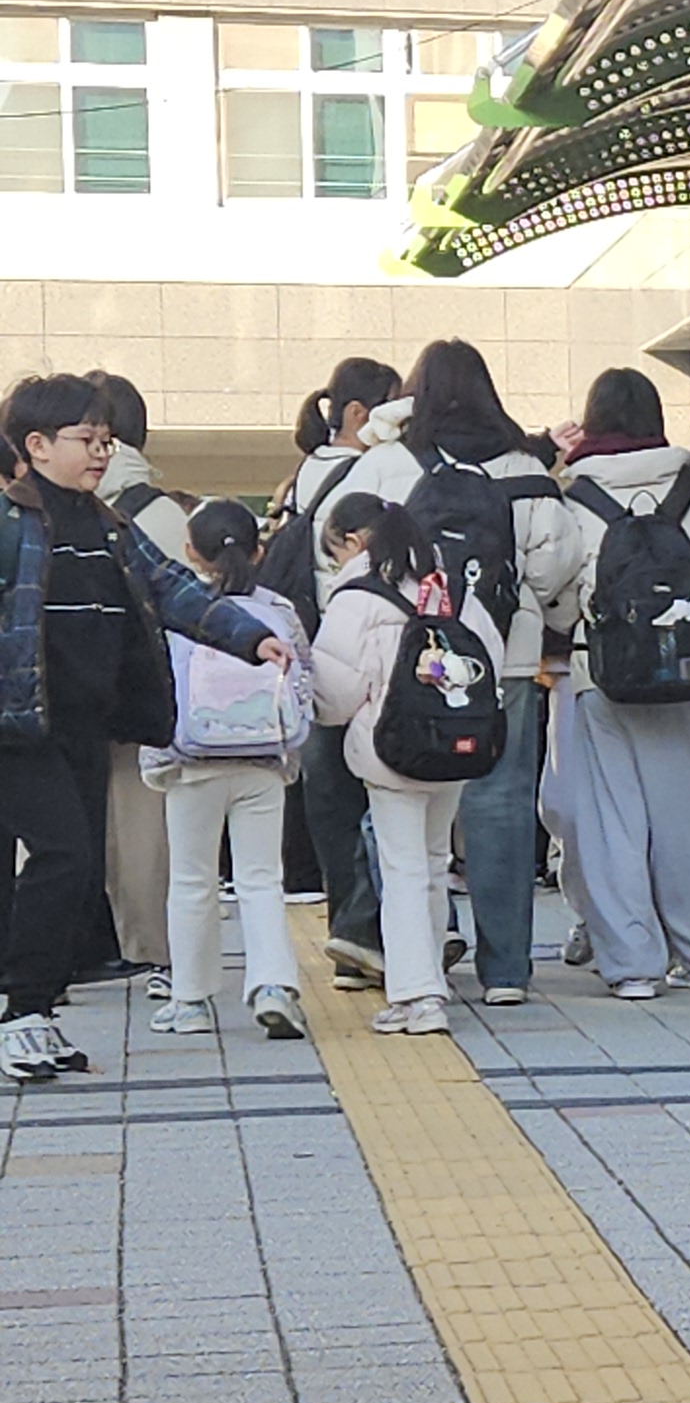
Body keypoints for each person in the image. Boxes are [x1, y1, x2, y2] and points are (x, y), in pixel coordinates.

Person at [0, 373, 289, 1080]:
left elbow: (173, 588)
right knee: (64, 857)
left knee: (75, 865)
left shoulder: (108, 527)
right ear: (35, 445)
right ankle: (23, 1014)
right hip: (17, 729)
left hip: (85, 726)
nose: (101, 452)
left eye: (106, 440)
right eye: (86, 440)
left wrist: (250, 638)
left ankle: (30, 1012)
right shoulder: (10, 526)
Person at [322, 341, 574, 1006]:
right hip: (501, 657)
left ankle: (422, 963)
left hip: (404, 663)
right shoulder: (526, 465)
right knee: (501, 806)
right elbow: (555, 566)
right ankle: (508, 971)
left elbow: (336, 549)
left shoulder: (381, 465)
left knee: (405, 809)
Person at [539, 366, 690, 1003]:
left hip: (599, 676)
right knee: (689, 817)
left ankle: (633, 963)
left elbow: (554, 589)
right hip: (688, 677)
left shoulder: (573, 495)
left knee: (611, 826)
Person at [307, 495, 500, 1038]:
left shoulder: (358, 598)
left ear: (355, 542)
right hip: (455, 748)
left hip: (391, 754)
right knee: (435, 863)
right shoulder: (453, 590)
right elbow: (492, 661)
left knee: (403, 870)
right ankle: (428, 977)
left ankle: (417, 995)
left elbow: (335, 693)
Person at [144, 498, 306, 1040]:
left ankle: (190, 999)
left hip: (192, 764)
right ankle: (274, 986)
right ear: (259, 550)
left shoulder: (175, 610)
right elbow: (303, 684)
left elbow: (158, 687)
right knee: (261, 879)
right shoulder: (279, 610)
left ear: (190, 551)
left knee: (192, 880)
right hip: (262, 761)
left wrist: (156, 760)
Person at [277, 355, 403, 990]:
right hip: (371, 653)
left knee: (331, 803)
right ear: (361, 414)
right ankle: (386, 928)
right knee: (385, 802)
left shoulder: (305, 474)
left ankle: (356, 933)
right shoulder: (375, 472)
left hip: (320, 656)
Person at [88, 368, 187, 985]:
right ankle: (147, 943)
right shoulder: (161, 511)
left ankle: (95, 943)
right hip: (142, 689)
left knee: (81, 823)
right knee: (140, 822)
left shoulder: (63, 506)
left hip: (80, 689)